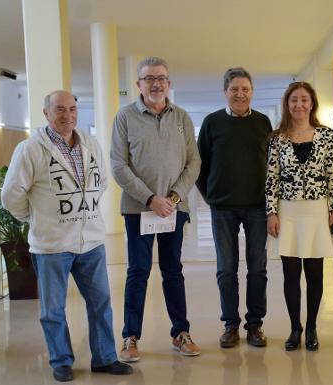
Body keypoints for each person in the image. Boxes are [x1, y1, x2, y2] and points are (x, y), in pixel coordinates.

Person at [1, 90, 132, 382]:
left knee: (100, 304)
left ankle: (105, 358)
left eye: (73, 109)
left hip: (92, 243)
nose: (68, 115)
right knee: (53, 309)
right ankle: (61, 361)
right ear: (46, 113)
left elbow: (101, 183)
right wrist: (34, 218)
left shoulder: (91, 144)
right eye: (60, 110)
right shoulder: (30, 149)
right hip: (52, 246)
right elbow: (11, 196)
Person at [111, 56, 202, 361]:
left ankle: (180, 333)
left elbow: (194, 162)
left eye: (160, 78)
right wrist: (151, 199)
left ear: (169, 83)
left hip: (174, 209)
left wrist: (173, 198)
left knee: (172, 270)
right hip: (139, 210)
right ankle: (130, 337)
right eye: (149, 78)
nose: (155, 84)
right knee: (138, 271)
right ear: (139, 84)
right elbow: (119, 165)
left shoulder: (182, 118)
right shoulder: (124, 117)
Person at [196, 67, 272, 348]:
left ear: (252, 92)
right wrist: (210, 195)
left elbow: (273, 165)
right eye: (234, 89)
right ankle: (230, 325)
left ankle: (254, 325)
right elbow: (199, 165)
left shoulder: (263, 123)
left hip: (257, 207)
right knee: (226, 269)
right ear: (225, 92)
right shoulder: (212, 123)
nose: (240, 94)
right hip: (223, 208)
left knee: (258, 268)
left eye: (245, 89)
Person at [266, 81, 333, 351]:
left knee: (315, 273)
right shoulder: (277, 138)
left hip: (317, 210)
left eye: (304, 100)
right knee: (290, 274)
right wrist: (271, 212)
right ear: (287, 104)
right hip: (287, 210)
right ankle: (294, 328)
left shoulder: (326, 136)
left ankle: (311, 328)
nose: (299, 105)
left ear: (312, 104)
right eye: (294, 100)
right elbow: (271, 178)